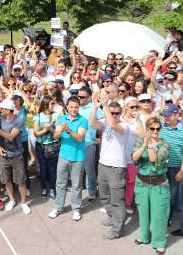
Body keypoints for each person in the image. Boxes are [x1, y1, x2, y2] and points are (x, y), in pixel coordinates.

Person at [89, 95, 130, 240]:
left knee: (117, 200)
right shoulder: (104, 122)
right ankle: (112, 218)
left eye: (116, 113)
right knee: (105, 196)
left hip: (117, 168)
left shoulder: (124, 125)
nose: (113, 115)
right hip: (103, 165)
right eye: (112, 113)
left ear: (121, 113)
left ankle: (117, 230)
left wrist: (105, 106)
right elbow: (91, 122)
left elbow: (113, 125)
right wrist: (95, 107)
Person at [132, 117, 170, 254]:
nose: (155, 131)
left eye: (157, 128)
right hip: (142, 183)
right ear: (147, 129)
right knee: (143, 213)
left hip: (159, 185)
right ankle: (144, 236)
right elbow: (134, 157)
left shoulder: (164, 144)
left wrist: (149, 145)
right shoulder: (139, 141)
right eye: (152, 128)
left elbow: (153, 159)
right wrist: (144, 144)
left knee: (159, 214)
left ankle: (159, 242)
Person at [48, 96, 88, 221]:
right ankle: (58, 207)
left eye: (76, 107)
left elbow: (80, 137)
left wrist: (68, 130)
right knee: (60, 184)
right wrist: (59, 132)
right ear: (67, 106)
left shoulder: (83, 120)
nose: (74, 109)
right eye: (71, 107)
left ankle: (76, 209)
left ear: (79, 107)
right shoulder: (61, 118)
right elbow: (55, 135)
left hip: (78, 157)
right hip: (63, 156)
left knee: (76, 185)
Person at [0, 99, 31, 214]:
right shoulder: (0, 120)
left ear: (7, 110)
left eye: (1, 109)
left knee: (20, 181)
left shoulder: (18, 121)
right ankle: (12, 200)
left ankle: (24, 202)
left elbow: (11, 136)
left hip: (17, 155)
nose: (0, 110)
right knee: (7, 180)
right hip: (4, 155)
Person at [158, 103, 183, 236]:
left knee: (174, 197)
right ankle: (166, 218)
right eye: (164, 116)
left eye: (168, 116)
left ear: (176, 114)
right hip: (162, 167)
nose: (166, 118)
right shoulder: (162, 128)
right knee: (164, 195)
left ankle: (168, 218)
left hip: (176, 168)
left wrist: (181, 171)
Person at [33, 95, 59, 200]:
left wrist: (50, 129)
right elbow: (36, 133)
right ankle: (44, 188)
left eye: (54, 103)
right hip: (40, 146)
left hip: (53, 145)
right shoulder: (37, 116)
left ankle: (52, 189)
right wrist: (45, 130)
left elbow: (57, 133)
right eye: (51, 103)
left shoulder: (56, 115)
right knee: (43, 168)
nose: (54, 105)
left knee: (52, 169)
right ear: (45, 104)